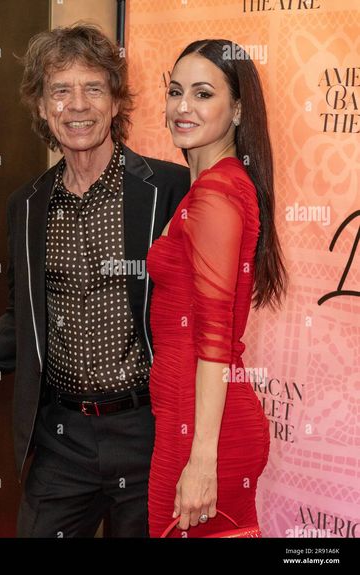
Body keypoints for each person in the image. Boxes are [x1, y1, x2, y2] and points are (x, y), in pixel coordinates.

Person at [0, 23, 190, 537]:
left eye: (93, 88)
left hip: (149, 432)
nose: (78, 105)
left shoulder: (168, 188)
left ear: (117, 102)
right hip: (61, 439)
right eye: (61, 90)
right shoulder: (25, 206)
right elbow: (19, 325)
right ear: (40, 107)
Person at [146, 39, 287, 537]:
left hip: (205, 433)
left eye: (203, 94)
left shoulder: (217, 194)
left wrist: (202, 459)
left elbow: (214, 341)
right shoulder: (213, 187)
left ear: (238, 109)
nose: (183, 106)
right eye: (176, 91)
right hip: (186, 422)